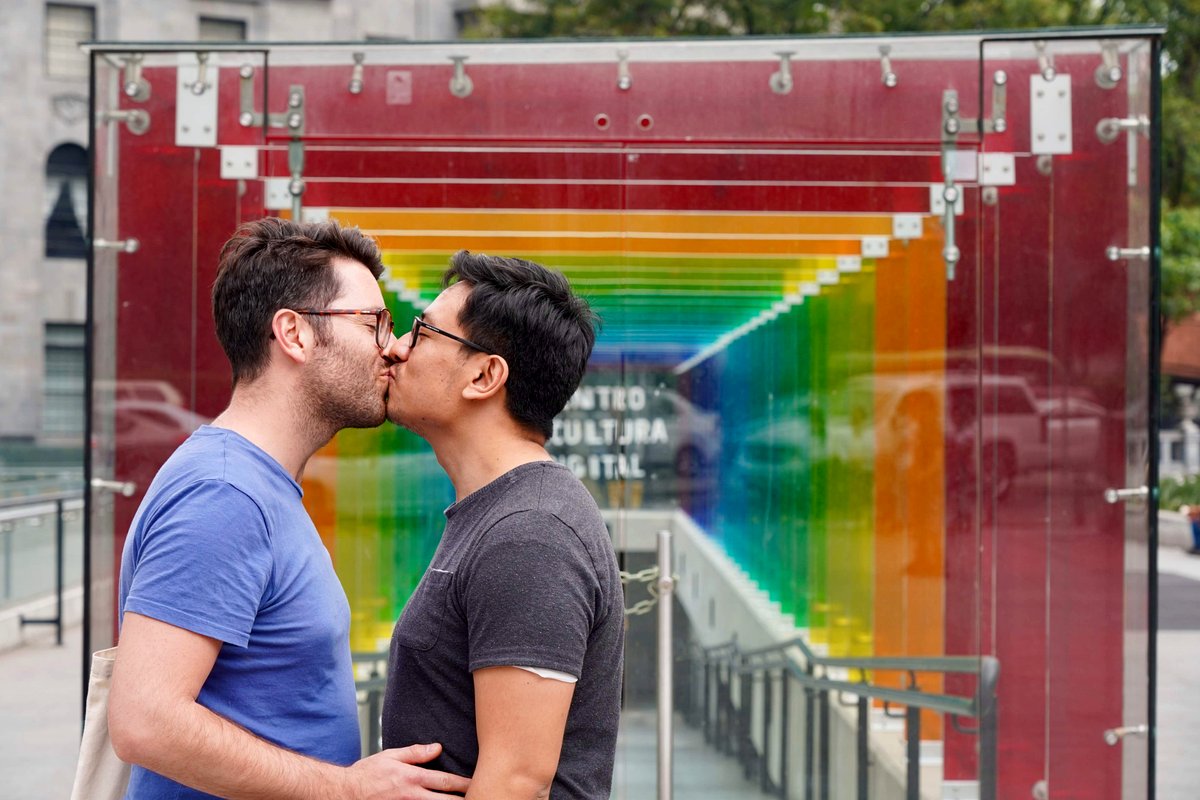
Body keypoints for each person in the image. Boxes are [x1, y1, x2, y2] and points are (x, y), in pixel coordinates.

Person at [108, 217, 471, 800]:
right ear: (295, 334)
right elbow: (144, 721)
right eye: (373, 322)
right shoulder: (225, 496)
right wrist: (347, 790)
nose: (393, 346)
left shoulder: (257, 485)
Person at [380, 251, 624, 799]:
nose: (395, 346)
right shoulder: (504, 514)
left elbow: (516, 782)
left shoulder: (530, 534)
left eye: (420, 332)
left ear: (485, 375)